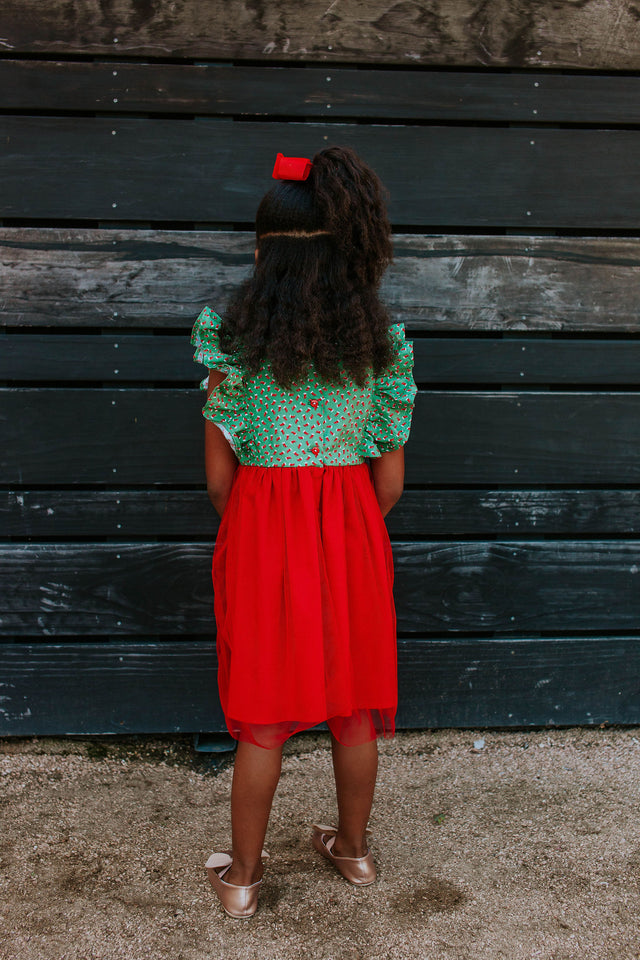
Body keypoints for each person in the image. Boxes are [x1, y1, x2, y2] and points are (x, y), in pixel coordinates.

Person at [190, 146, 417, 918]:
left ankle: (243, 881)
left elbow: (219, 480)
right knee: (354, 710)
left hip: (260, 532)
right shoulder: (381, 344)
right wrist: (341, 527)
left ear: (260, 254)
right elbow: (390, 480)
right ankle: (352, 854)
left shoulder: (229, 339)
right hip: (351, 529)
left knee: (263, 719)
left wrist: (263, 526)